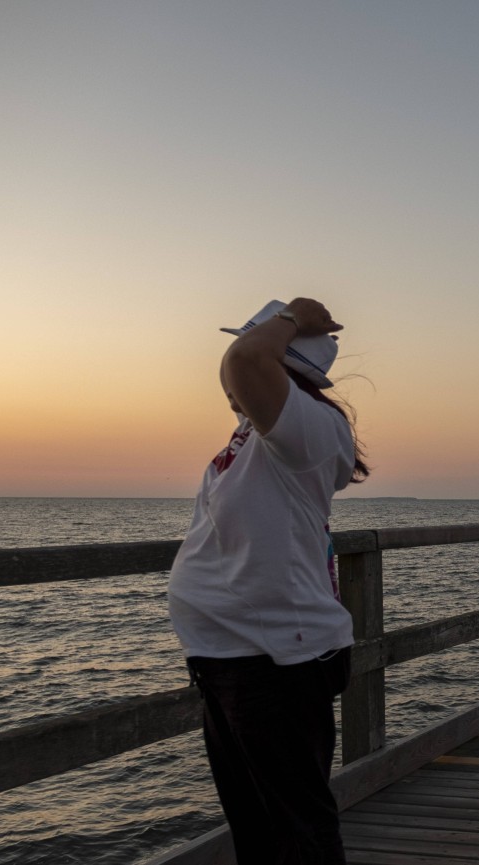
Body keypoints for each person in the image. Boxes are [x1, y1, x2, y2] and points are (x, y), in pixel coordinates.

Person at [168, 297, 369, 865]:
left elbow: (244, 365)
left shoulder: (311, 429)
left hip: (277, 661)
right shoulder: (258, 437)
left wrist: (294, 316)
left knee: (295, 831)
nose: (226, 369)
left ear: (286, 360)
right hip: (232, 657)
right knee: (258, 827)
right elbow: (240, 367)